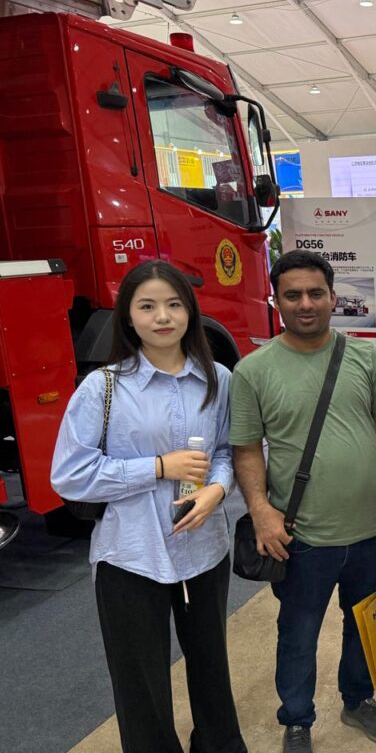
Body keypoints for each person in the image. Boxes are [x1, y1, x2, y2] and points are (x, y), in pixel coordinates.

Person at [51, 261, 246, 753]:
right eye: (148, 306)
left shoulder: (219, 379)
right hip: (131, 555)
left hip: (203, 548)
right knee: (141, 684)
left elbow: (227, 451)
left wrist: (217, 489)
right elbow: (69, 475)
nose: (163, 316)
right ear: (129, 316)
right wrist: (158, 467)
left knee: (211, 666)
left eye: (174, 304)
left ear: (190, 311)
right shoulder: (103, 387)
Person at [230, 251, 376, 753]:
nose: (305, 304)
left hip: (371, 528)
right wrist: (261, 510)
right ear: (277, 301)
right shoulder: (254, 371)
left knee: (364, 623)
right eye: (292, 295)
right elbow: (246, 449)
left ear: (334, 298)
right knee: (298, 633)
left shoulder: (365, 359)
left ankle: (358, 700)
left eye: (315, 293)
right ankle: (297, 720)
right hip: (301, 537)